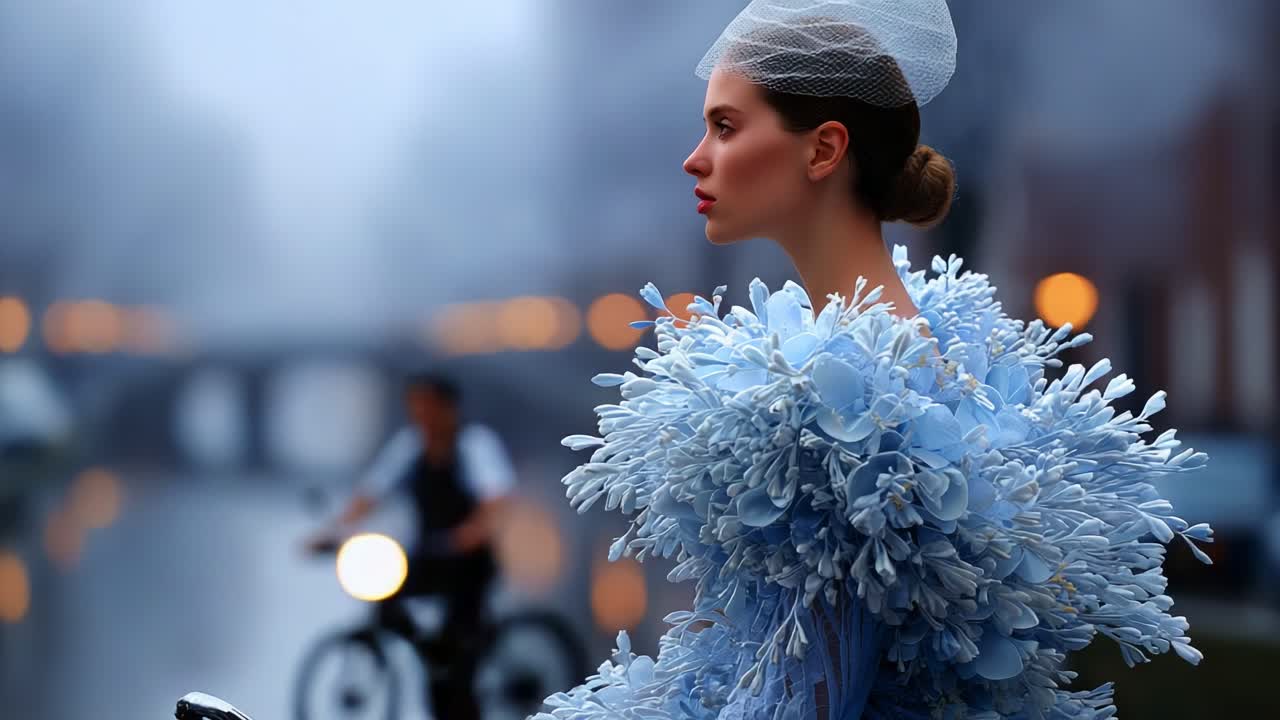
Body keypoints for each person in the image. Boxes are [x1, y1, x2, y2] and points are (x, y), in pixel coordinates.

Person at [536, 2, 1212, 719]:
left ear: (824, 150)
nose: (695, 156)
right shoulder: (897, 351)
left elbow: (818, 697)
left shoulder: (841, 389)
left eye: (726, 126)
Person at [315, 369, 514, 720]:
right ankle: (430, 654)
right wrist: (333, 531)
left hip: (468, 564)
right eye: (415, 405)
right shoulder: (411, 447)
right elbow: (371, 493)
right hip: (428, 557)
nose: (421, 413)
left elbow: (495, 500)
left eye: (428, 405)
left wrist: (472, 532)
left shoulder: (474, 445)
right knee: (387, 598)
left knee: (458, 662)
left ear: (448, 408)